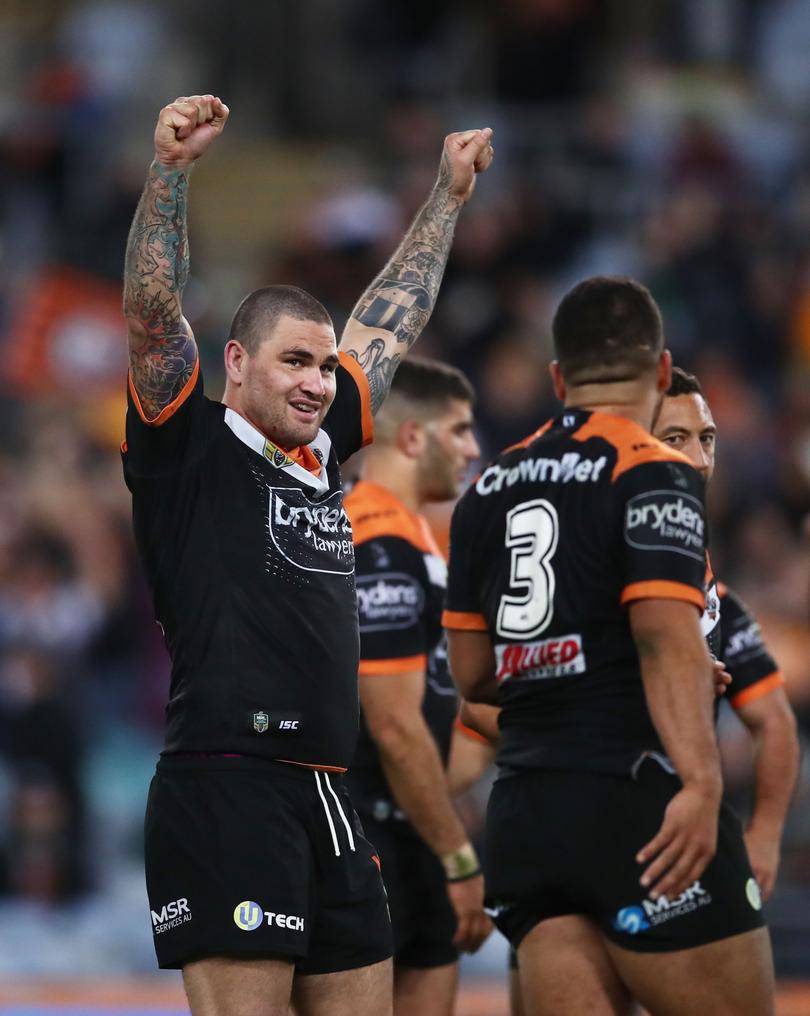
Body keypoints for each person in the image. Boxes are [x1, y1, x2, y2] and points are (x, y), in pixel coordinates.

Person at [121, 94, 493, 1016]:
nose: (318, 383)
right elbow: (151, 312)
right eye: (295, 363)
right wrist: (170, 173)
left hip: (330, 795)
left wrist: (446, 198)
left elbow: (388, 321)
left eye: (325, 367)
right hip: (227, 786)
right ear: (236, 363)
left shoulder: (325, 455)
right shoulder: (187, 448)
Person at [442, 276, 775, 1016]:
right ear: (661, 374)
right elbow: (664, 637)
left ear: (559, 379)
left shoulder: (487, 487)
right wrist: (702, 782)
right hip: (635, 794)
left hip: (526, 815)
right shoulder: (654, 468)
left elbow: (471, 673)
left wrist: (564, 661)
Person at [344, 358, 491, 1016]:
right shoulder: (377, 541)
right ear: (411, 438)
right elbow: (396, 729)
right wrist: (458, 856)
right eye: (458, 431)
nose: (473, 448)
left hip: (410, 830)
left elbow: (439, 741)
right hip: (363, 835)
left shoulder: (418, 542)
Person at [653, 367, 799, 903]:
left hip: (679, 828)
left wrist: (764, 834)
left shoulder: (717, 600)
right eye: (675, 439)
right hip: (590, 820)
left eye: (706, 438)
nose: (699, 458)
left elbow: (775, 723)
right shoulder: (593, 565)